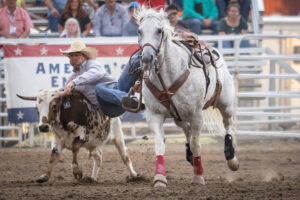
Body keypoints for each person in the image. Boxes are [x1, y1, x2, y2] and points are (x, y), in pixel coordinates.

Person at [61, 40, 142, 118]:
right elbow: (63, 91)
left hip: (118, 90)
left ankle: (149, 50)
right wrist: (63, 93)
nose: (74, 58)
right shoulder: (72, 78)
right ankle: (130, 100)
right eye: (71, 56)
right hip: (107, 107)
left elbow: (97, 73)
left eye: (77, 55)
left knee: (134, 60)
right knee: (99, 87)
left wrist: (74, 82)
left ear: (84, 56)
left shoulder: (91, 64)